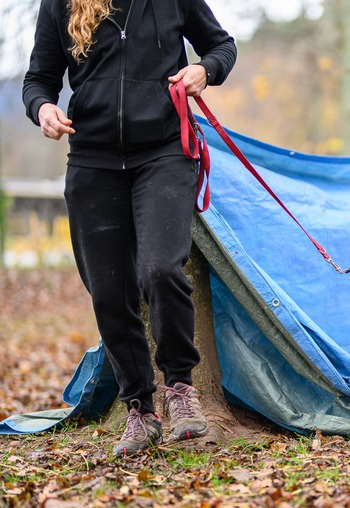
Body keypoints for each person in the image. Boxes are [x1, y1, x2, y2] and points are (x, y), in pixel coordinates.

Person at [22, 0, 236, 457]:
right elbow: (38, 79)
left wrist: (204, 71)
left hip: (164, 152)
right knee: (108, 292)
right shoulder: (60, 3)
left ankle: (180, 387)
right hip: (92, 159)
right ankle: (140, 407)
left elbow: (222, 46)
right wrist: (42, 109)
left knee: (161, 269)